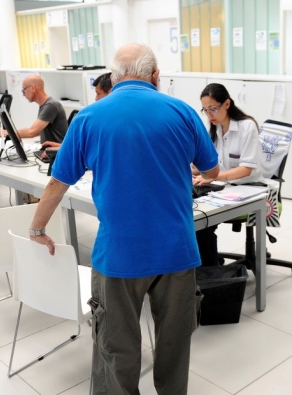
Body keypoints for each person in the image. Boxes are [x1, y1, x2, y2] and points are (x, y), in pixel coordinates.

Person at [28, 43, 219, 394]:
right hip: (177, 252)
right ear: (156, 75)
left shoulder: (89, 117)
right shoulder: (183, 112)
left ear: (113, 79)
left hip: (119, 256)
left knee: (117, 351)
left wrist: (37, 228)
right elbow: (212, 168)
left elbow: (58, 181)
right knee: (175, 348)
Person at [193, 83, 261, 266]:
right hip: (223, 187)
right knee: (195, 219)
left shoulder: (247, 127)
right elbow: (208, 164)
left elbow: (246, 169)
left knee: (202, 225)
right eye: (205, 110)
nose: (209, 115)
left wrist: (213, 177)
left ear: (227, 104)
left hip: (248, 189)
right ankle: (204, 272)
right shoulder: (214, 129)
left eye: (213, 109)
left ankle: (211, 275)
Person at [0, 75, 68, 160]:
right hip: (47, 152)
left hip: (56, 155)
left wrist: (6, 132)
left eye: (24, 90)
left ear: (33, 88)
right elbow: (38, 131)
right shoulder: (45, 105)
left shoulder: (51, 105)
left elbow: (32, 132)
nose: (23, 94)